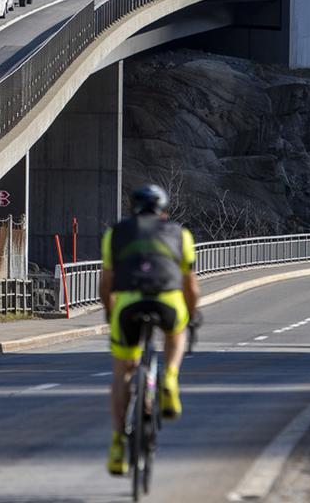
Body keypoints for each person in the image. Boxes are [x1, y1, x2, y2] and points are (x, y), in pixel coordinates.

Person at [101, 183, 202, 476]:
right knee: (176, 331)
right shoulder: (180, 234)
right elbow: (191, 286)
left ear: (132, 209)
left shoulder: (115, 234)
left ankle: (118, 443)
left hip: (128, 303)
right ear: (164, 211)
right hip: (167, 299)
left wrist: (110, 312)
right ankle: (169, 378)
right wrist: (192, 314)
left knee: (123, 371)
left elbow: (106, 284)